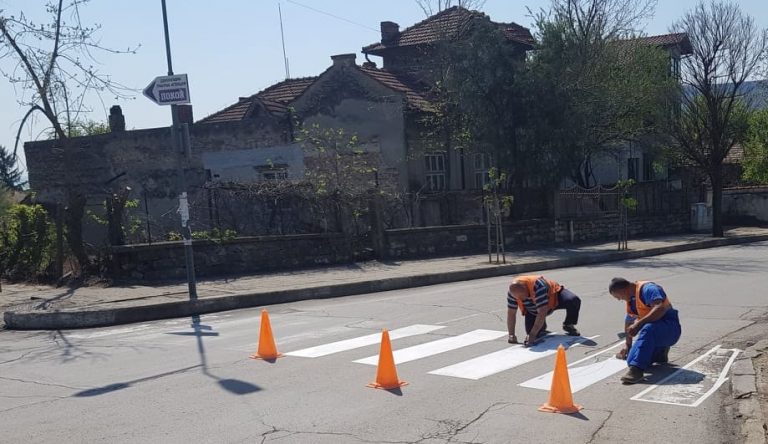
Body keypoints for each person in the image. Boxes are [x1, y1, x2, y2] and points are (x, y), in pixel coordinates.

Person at [608, 277, 681, 384]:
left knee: (647, 329)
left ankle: (636, 371)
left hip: (670, 328)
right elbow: (629, 321)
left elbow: (660, 308)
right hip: (655, 331)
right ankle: (659, 352)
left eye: (618, 296)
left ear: (623, 290)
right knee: (631, 360)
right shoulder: (631, 300)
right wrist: (628, 345)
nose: (619, 299)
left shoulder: (648, 289)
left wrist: (639, 323)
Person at [507, 275, 582, 347]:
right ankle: (542, 329)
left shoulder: (538, 286)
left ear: (526, 288)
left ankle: (568, 324)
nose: (521, 299)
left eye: (522, 296)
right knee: (533, 334)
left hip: (554, 298)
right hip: (533, 310)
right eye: (518, 298)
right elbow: (511, 313)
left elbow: (542, 312)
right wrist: (511, 334)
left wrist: (532, 334)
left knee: (573, 300)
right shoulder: (513, 292)